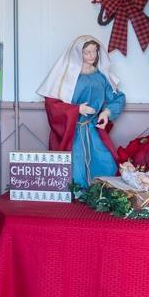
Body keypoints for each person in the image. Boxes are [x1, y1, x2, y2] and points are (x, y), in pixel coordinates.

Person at [37, 36, 125, 187]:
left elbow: (117, 98)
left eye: (94, 51)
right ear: (78, 53)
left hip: (92, 129)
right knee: (75, 171)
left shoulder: (101, 76)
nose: (92, 55)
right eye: (87, 52)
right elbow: (52, 105)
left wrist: (106, 112)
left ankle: (99, 193)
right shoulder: (66, 77)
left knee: (107, 163)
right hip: (72, 132)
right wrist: (77, 109)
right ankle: (78, 195)